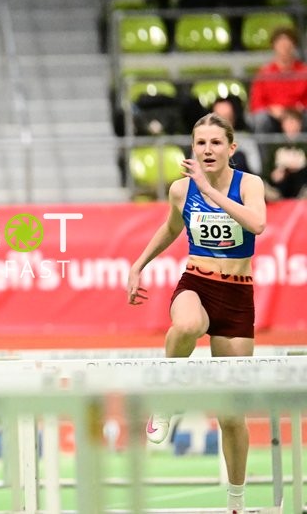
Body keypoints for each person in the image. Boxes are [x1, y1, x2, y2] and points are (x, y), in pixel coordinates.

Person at [126, 114, 266, 514]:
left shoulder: (249, 185)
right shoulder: (180, 190)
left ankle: (236, 503)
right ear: (193, 147)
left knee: (232, 415)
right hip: (197, 283)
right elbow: (171, 230)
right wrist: (139, 265)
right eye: (200, 143)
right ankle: (166, 399)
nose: (207, 150)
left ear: (231, 149)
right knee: (187, 324)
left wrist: (211, 191)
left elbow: (257, 224)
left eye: (216, 143)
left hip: (238, 296)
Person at [248, 26, 307, 134]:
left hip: (299, 114)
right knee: (261, 119)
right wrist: (271, 109)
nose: (284, 47)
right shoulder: (264, 73)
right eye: (280, 43)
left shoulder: (304, 72)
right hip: (273, 116)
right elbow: (256, 103)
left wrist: (296, 111)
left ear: (294, 46)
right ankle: (264, 151)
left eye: (288, 43)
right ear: (274, 46)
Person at [262, 108, 307, 200]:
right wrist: (275, 174)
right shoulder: (275, 144)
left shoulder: (304, 144)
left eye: (293, 122)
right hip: (280, 184)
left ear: (300, 124)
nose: (291, 125)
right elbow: (267, 170)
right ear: (282, 125)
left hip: (301, 182)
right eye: (287, 122)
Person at [211, 96, 262, 176]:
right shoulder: (202, 140)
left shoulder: (246, 140)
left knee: (238, 157)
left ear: (234, 118)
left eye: (227, 117)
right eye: (218, 118)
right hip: (209, 184)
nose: (223, 123)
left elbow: (256, 170)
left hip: (241, 184)